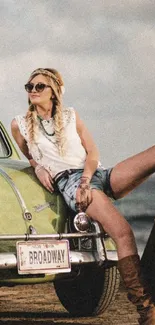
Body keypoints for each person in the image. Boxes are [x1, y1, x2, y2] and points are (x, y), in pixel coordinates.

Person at [11, 67, 155, 324]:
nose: (32, 90)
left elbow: (93, 153)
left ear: (54, 91)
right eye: (29, 86)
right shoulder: (19, 125)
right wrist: (40, 168)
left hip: (94, 175)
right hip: (70, 182)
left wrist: (88, 180)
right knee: (122, 233)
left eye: (39, 86)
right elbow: (31, 156)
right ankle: (147, 310)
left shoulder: (70, 116)